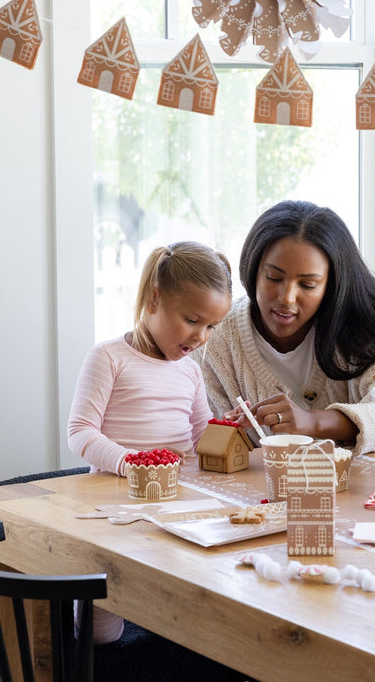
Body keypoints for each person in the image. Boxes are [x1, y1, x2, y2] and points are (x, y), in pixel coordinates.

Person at [67, 241, 233, 642]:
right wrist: (131, 463)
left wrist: (229, 430)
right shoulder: (109, 358)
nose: (201, 337)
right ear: (154, 299)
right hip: (113, 508)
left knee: (185, 611)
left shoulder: (190, 373)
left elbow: (198, 440)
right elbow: (80, 432)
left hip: (174, 508)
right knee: (100, 632)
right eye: (192, 320)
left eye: (211, 327)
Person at [198, 200, 375, 455]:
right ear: (253, 269)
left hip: (371, 492)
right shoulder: (217, 335)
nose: (287, 298)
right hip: (263, 493)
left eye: (307, 285)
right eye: (274, 278)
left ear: (332, 283)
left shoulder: (369, 320)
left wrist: (313, 421)